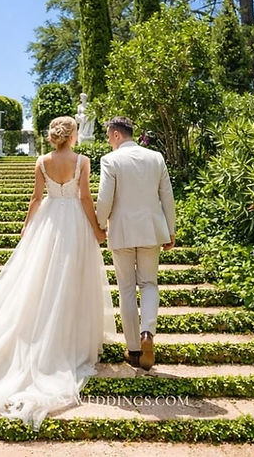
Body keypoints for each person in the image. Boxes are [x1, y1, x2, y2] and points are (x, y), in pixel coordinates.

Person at [0, 116, 114, 430]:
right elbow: (84, 197)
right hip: (74, 225)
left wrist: (28, 227)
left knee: (39, 282)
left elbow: (36, 198)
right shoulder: (82, 161)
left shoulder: (42, 161)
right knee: (72, 280)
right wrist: (97, 228)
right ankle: (71, 341)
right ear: (72, 135)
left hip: (48, 221)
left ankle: (42, 334)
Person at [96, 116, 176, 370]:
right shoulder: (156, 158)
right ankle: (147, 334)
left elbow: (105, 197)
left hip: (121, 231)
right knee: (149, 283)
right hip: (151, 230)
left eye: (109, 136)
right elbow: (167, 197)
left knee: (127, 289)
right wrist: (170, 230)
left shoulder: (111, 160)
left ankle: (133, 350)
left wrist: (100, 223)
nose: (109, 141)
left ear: (117, 134)